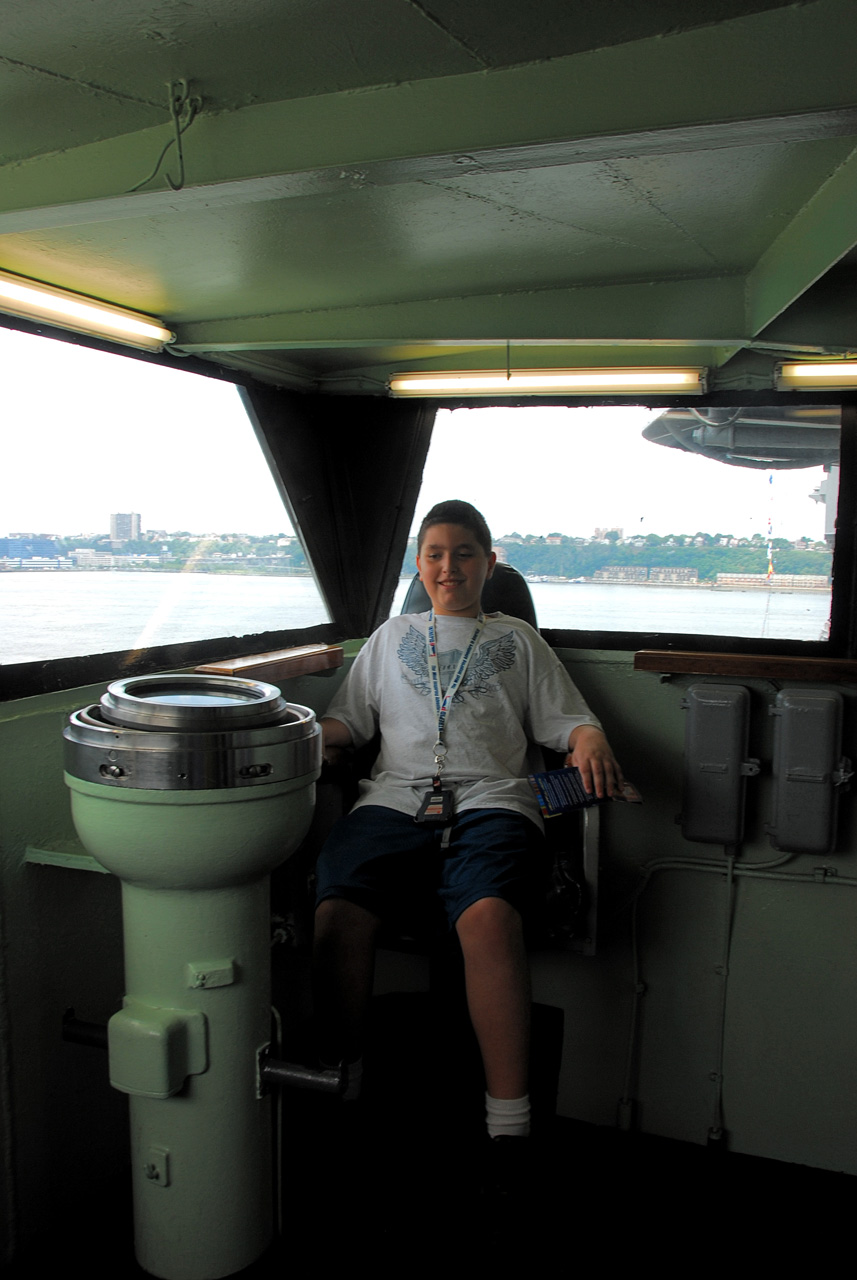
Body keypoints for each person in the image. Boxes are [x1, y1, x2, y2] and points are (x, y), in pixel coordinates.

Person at [313, 499, 622, 1162]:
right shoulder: (390, 639)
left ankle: (508, 1125)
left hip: (493, 799)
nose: (447, 567)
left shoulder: (516, 641)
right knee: (338, 911)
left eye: (462, 553)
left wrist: (590, 738)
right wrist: (301, 736)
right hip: (395, 799)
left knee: (487, 918)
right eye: (434, 554)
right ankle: (341, 1086)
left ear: (487, 562)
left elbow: (567, 720)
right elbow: (348, 725)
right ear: (418, 566)